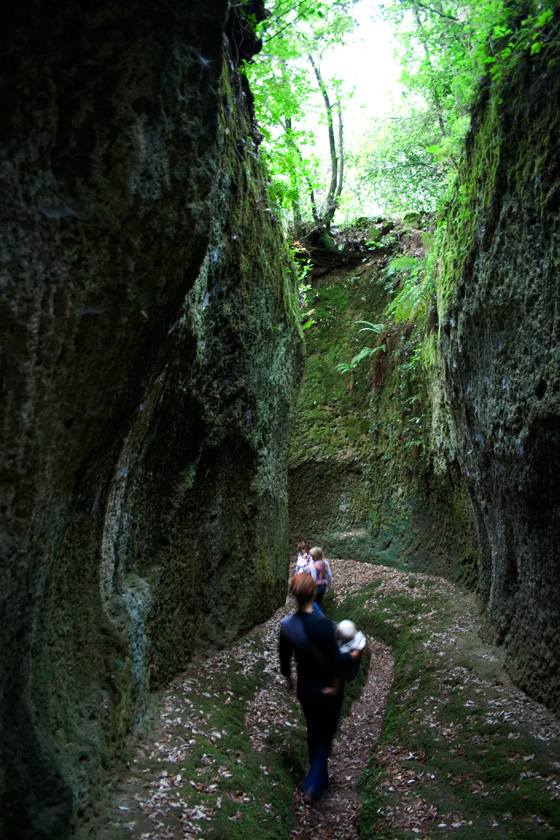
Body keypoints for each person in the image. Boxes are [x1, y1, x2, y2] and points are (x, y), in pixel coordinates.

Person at [279, 573, 363, 805]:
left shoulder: (287, 626)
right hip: (327, 687)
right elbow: (336, 660)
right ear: (314, 592)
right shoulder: (323, 624)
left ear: (294, 596)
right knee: (325, 735)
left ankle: (321, 779)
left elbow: (284, 661)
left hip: (305, 687)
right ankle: (312, 786)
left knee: (313, 731)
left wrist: (289, 680)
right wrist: (354, 654)